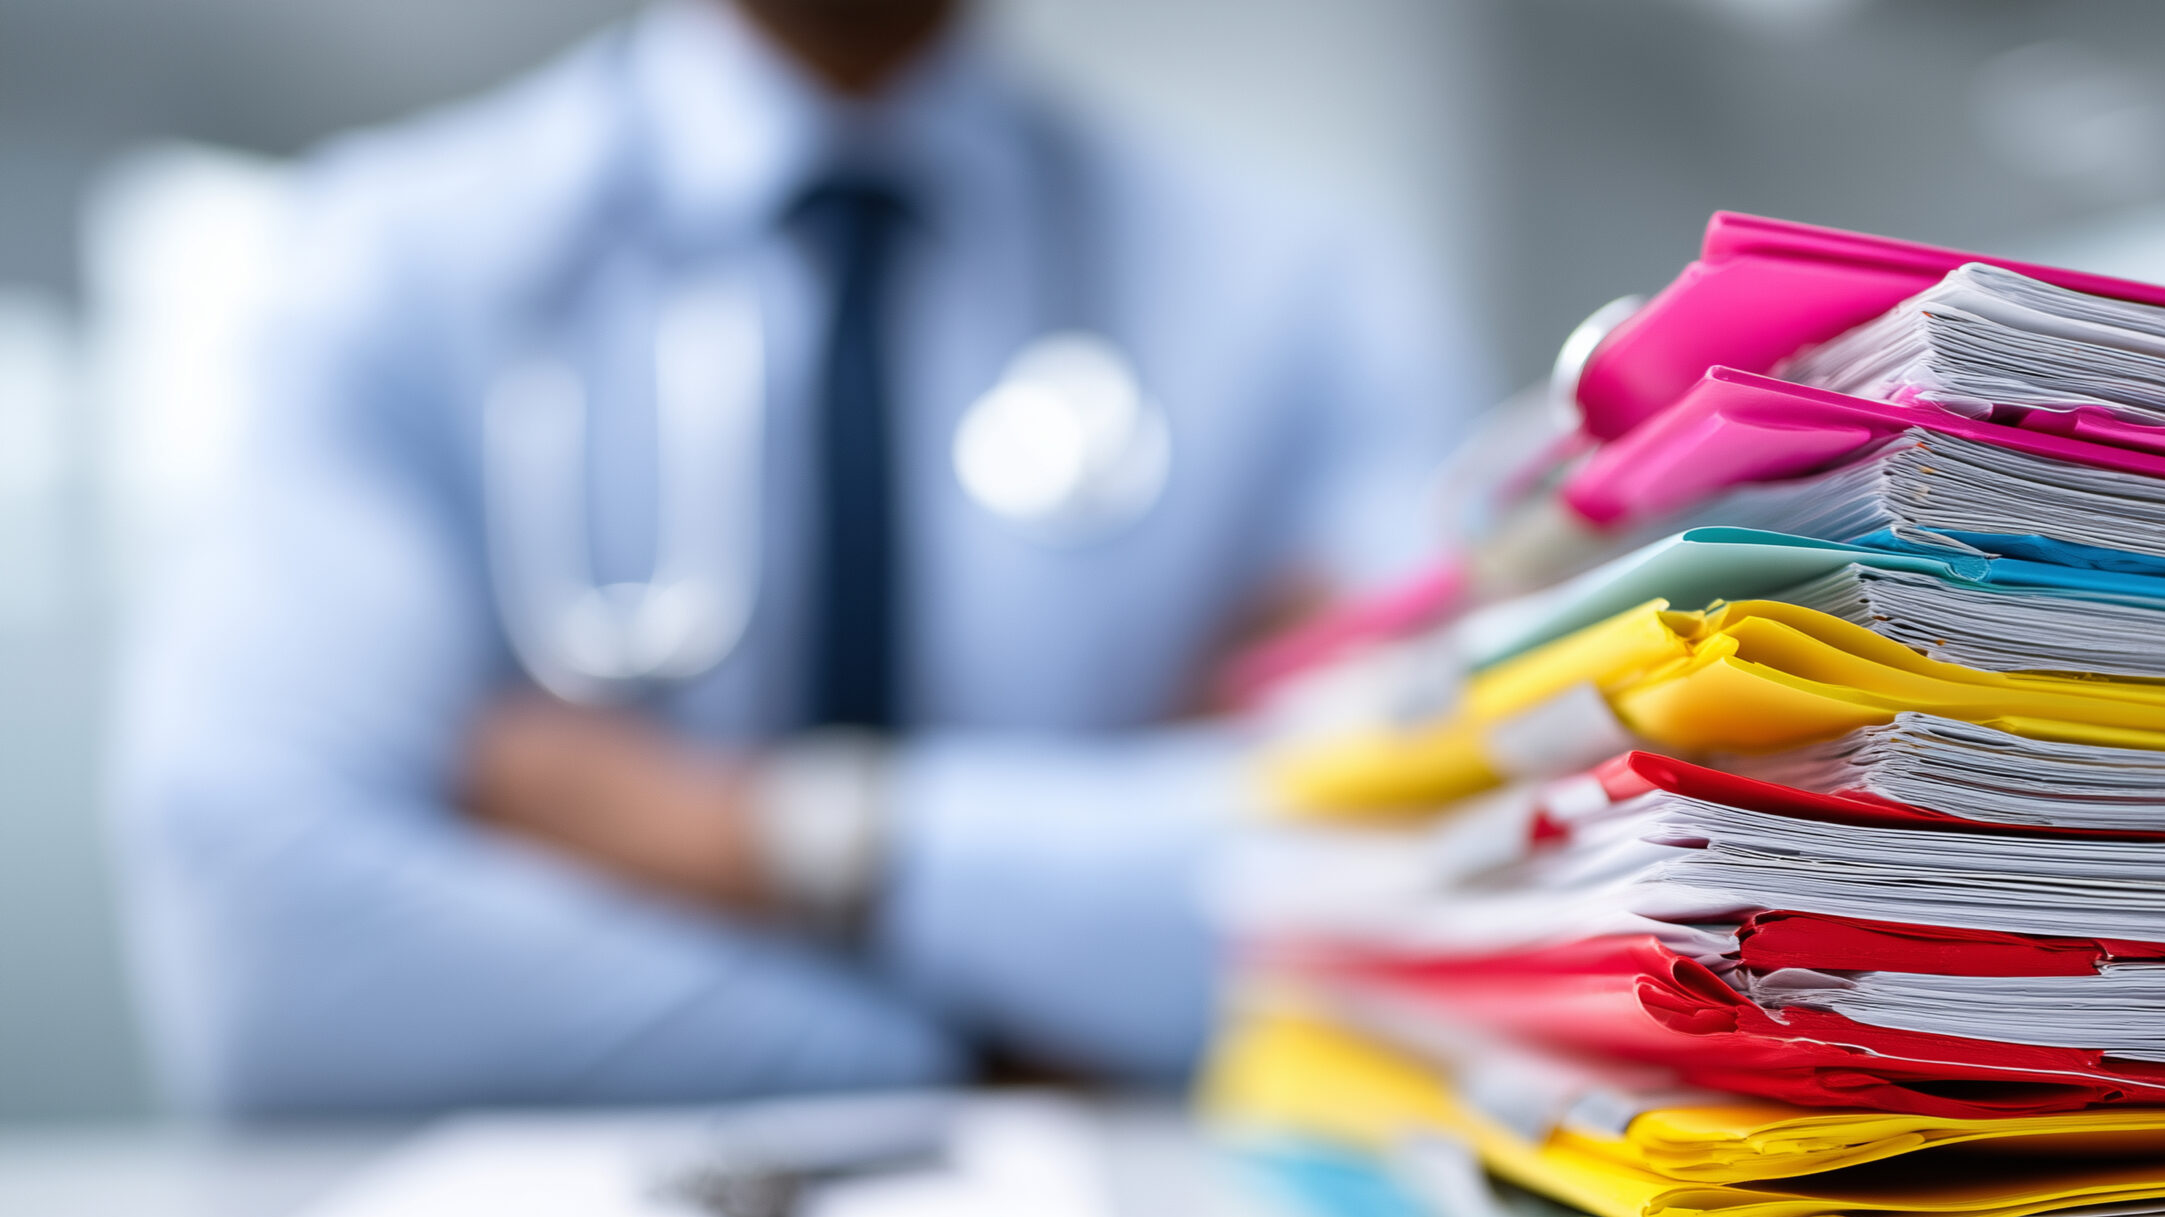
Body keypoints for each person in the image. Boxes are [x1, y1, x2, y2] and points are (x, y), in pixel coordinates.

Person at [111, 0, 1486, 1114]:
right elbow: (273, 951)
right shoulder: (390, 263)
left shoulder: (1302, 298)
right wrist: (987, 1043)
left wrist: (762, 836)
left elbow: (1436, 878)